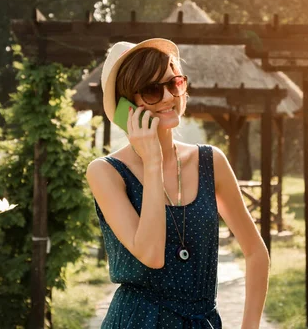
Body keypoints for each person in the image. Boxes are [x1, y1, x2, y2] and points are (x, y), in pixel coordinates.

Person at [86, 38, 270, 328]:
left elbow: (256, 252)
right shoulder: (105, 172)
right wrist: (152, 162)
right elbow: (151, 254)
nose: (168, 97)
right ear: (126, 106)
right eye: (151, 90)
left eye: (174, 84)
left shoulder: (212, 162)